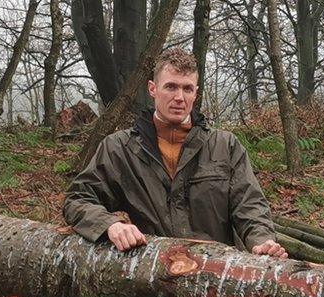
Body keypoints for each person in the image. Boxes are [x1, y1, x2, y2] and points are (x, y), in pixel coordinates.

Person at [63, 48, 287, 258]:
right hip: (150, 275)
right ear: (153, 89)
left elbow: (250, 205)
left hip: (217, 274)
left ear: (196, 93)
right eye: (171, 87)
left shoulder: (224, 146)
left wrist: (261, 241)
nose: (179, 97)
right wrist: (110, 225)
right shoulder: (120, 148)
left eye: (187, 88)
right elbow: (78, 199)